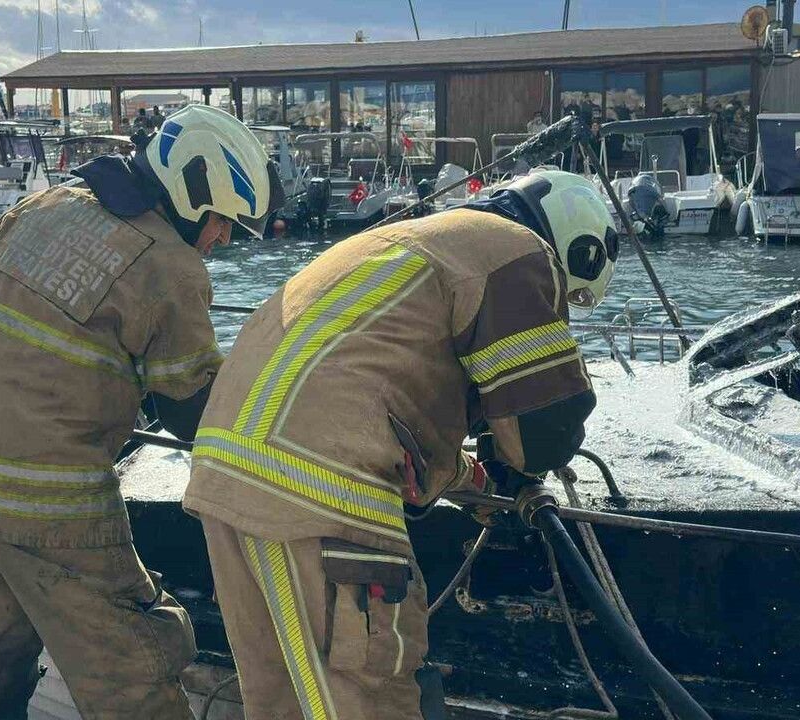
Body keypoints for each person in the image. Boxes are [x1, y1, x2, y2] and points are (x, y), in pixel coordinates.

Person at [183, 170, 618, 719]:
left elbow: (373, 402)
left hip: (227, 476)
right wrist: (517, 467)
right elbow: (541, 431)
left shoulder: (411, 246)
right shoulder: (517, 252)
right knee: (371, 698)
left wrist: (475, 480)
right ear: (572, 248)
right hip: (321, 496)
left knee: (284, 704)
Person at [0, 104, 283, 720]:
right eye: (223, 222)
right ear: (193, 192)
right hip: (47, 501)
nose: (224, 240)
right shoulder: (169, 265)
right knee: (134, 667)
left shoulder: (43, 206)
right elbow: (193, 414)